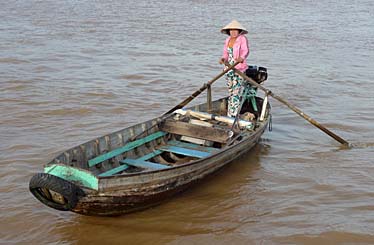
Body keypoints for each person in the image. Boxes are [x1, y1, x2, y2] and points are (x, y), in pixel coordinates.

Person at [219, 20, 254, 117]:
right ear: (228, 31)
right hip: (228, 68)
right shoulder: (227, 40)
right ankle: (230, 113)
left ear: (239, 31)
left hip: (238, 68)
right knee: (230, 91)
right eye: (231, 30)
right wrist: (223, 59)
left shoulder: (242, 39)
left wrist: (241, 58)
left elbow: (245, 51)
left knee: (236, 92)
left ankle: (233, 116)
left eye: (235, 30)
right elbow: (225, 53)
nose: (233, 32)